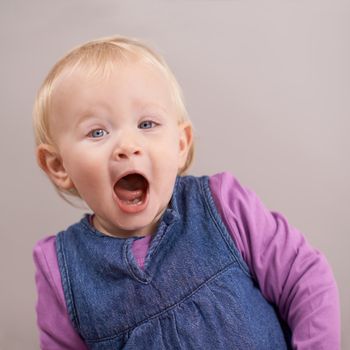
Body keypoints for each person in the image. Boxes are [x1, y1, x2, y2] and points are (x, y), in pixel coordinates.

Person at [33, 36, 340, 350]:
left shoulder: (224, 207)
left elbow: (305, 280)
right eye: (97, 132)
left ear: (180, 144)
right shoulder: (62, 271)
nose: (128, 146)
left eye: (147, 123)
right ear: (59, 166)